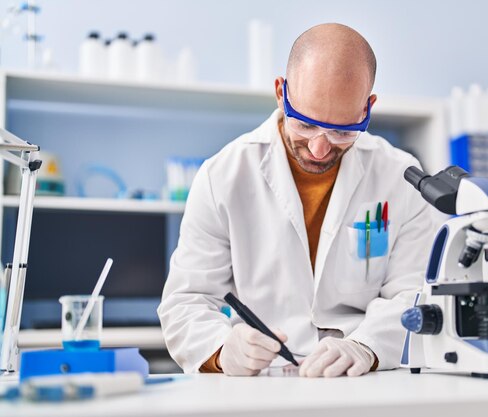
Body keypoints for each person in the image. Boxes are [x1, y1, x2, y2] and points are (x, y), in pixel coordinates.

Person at [158, 23, 435, 378]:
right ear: (280, 93)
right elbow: (186, 301)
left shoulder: (400, 177)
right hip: (264, 379)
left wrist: (367, 346)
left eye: (342, 131)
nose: (320, 149)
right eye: (304, 124)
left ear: (368, 107)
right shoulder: (222, 177)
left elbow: (415, 296)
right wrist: (223, 350)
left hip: (366, 377)